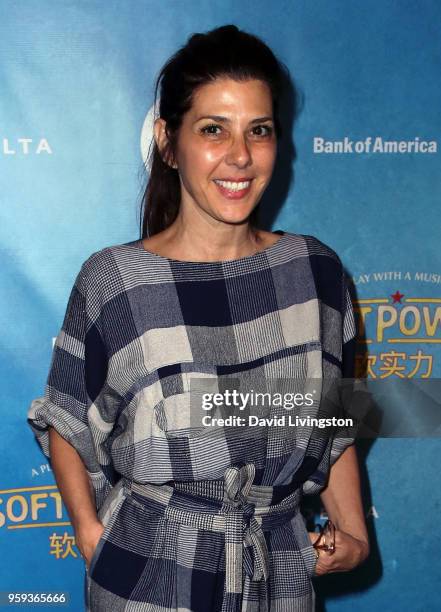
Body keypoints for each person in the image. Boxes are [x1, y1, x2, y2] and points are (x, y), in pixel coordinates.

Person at [27, 24, 369, 612]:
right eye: (214, 129)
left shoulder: (316, 274)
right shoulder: (116, 282)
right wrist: (90, 534)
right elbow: (66, 418)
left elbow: (335, 420)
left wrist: (355, 533)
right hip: (148, 577)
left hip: (279, 575)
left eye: (258, 131)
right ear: (167, 140)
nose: (239, 156)